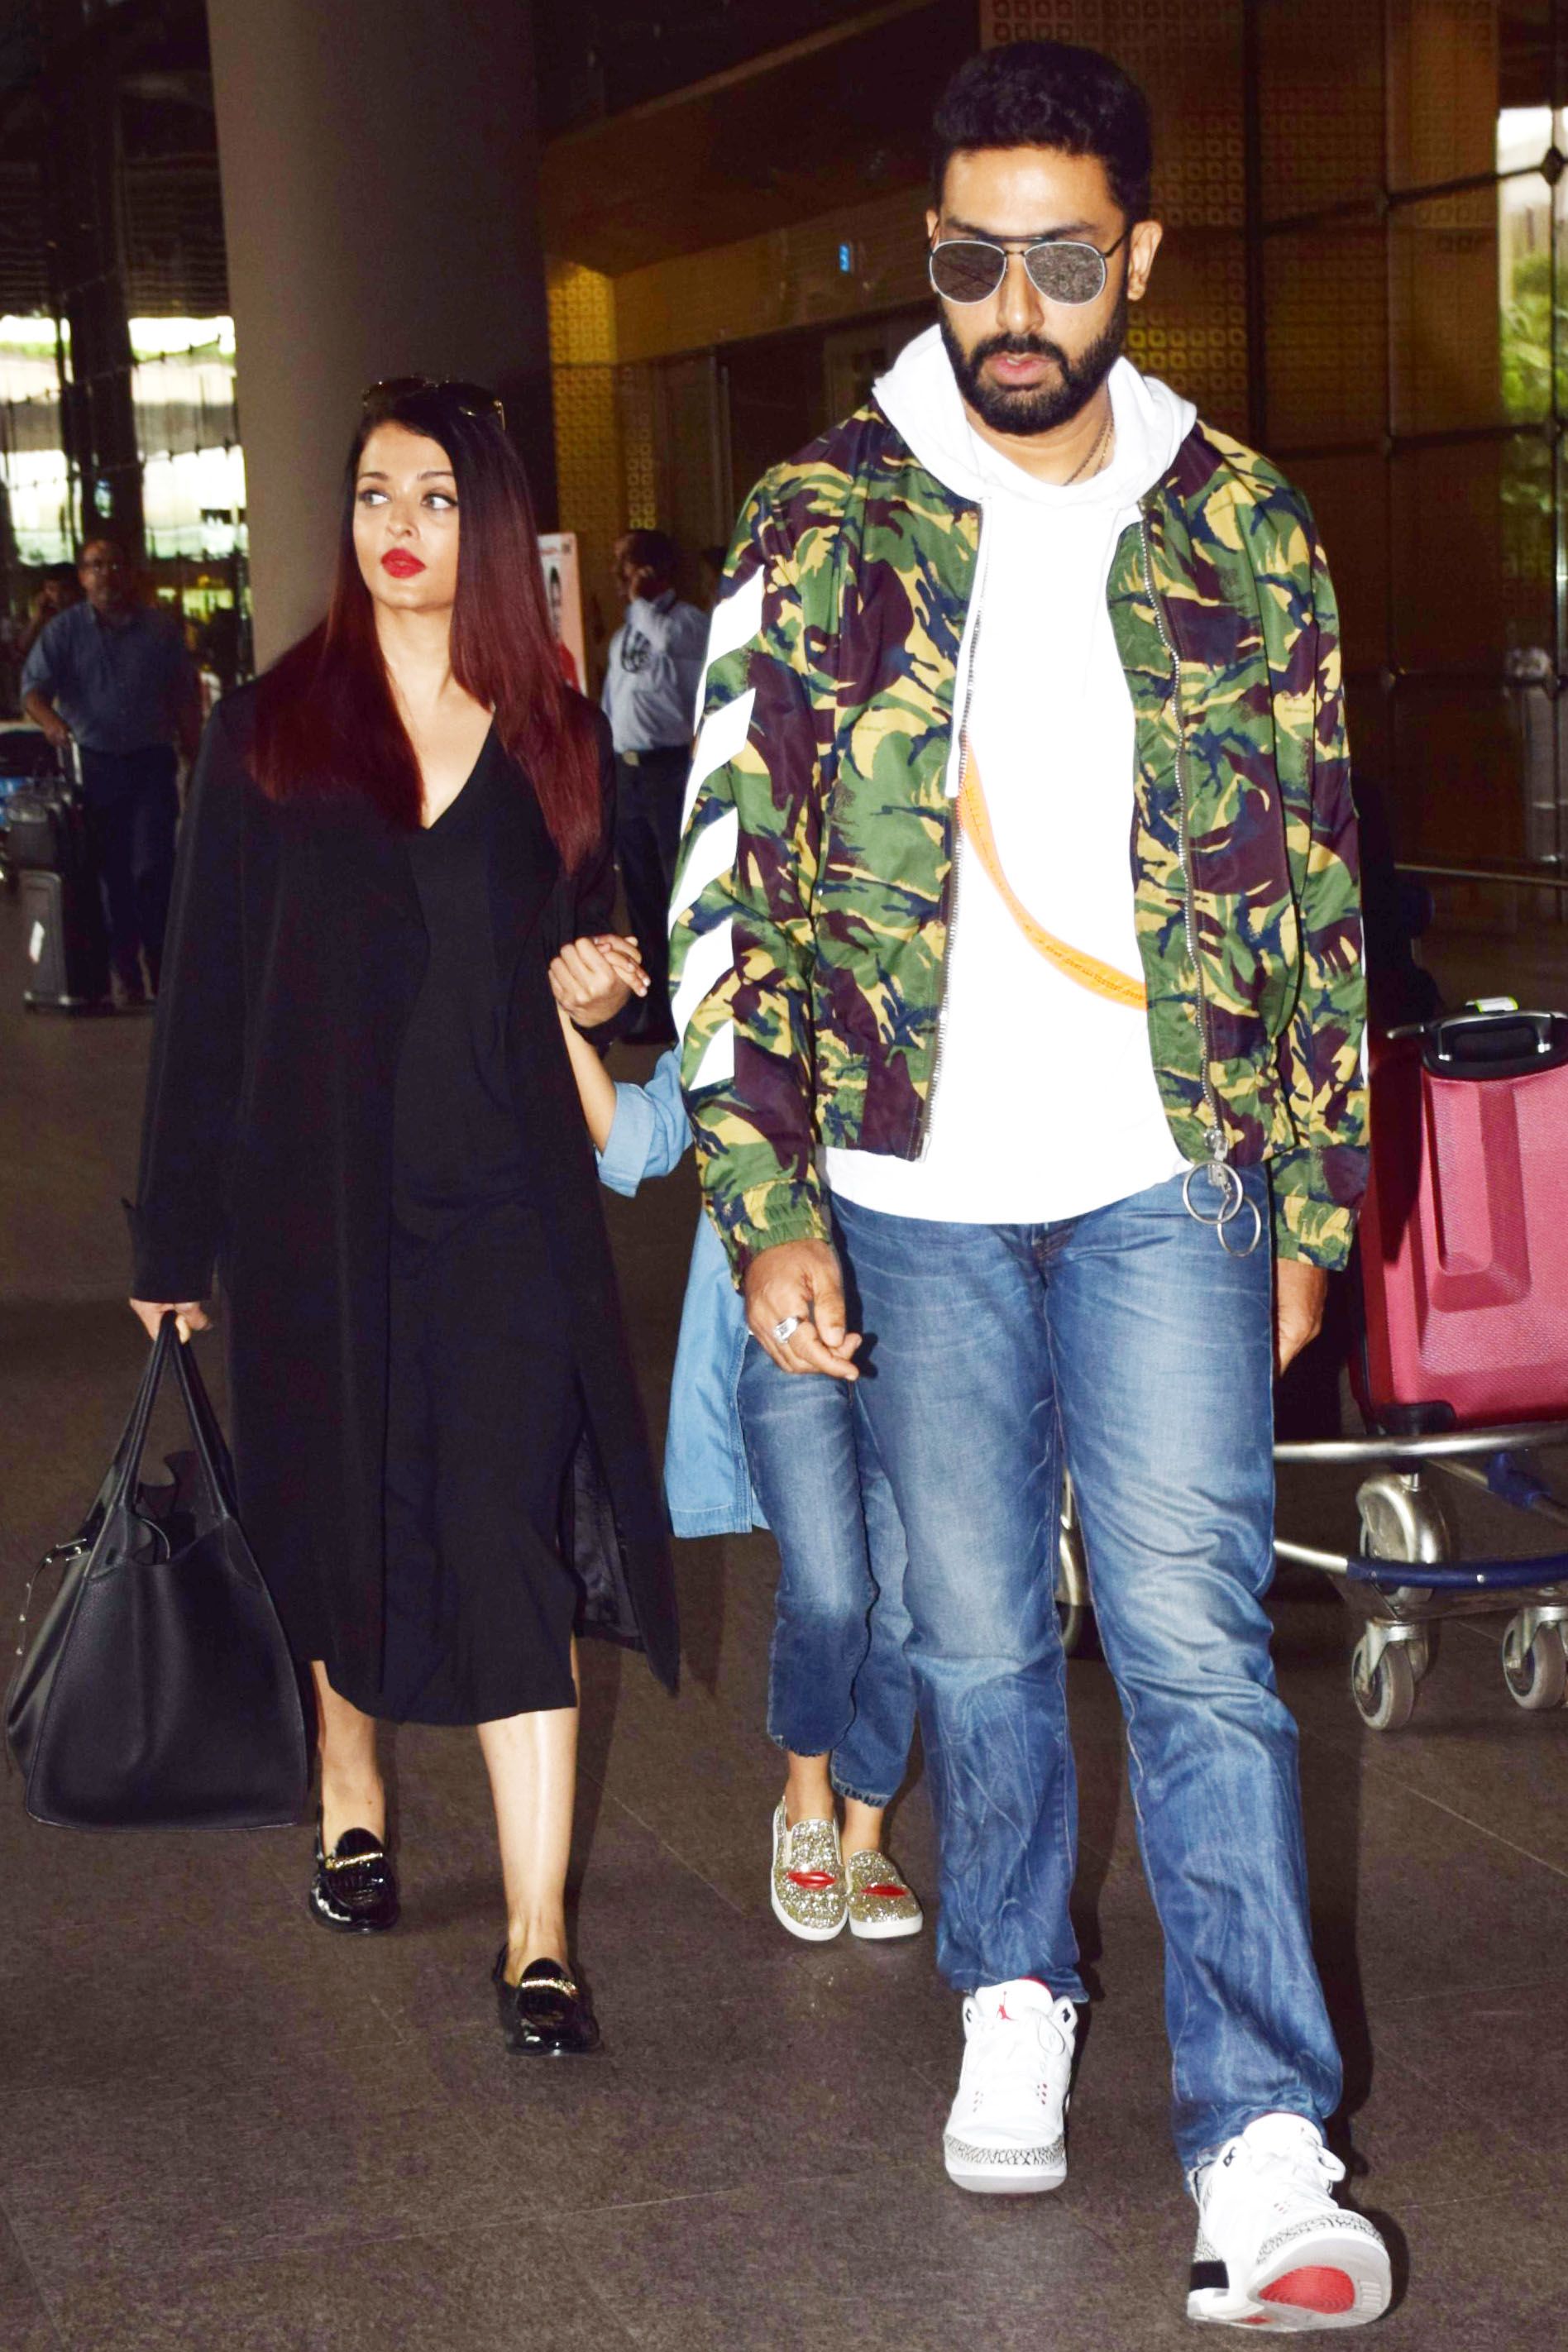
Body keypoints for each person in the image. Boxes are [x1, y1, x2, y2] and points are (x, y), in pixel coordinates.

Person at [668, 38, 1394, 2335]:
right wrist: (766, 1189)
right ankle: (1013, 1985)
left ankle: (1267, 2128)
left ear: (1137, 261)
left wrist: (1312, 1206)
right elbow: (732, 886)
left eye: (1059, 258)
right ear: (934, 257)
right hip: (911, 1182)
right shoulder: (821, 519)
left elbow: (1317, 889)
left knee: (1190, 1644)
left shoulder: (1244, 523)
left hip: (1174, 1177)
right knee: (974, 1629)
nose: (1011, 300)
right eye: (971, 255)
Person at [127, 376, 678, 2058]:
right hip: (313, 1214)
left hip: (507, 1214)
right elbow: (207, 992)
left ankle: (536, 1937)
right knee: (344, 1508)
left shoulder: (554, 736)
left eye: (436, 499)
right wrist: (172, 1240)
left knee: (509, 1537)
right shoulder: (272, 730)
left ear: (490, 527)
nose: (399, 530)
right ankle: (352, 1785)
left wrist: (600, 991)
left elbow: (605, 962)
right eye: (376, 494)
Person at [552, 1000, 923, 1942]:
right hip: (781, 1323)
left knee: (911, 1590)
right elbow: (635, 1141)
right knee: (834, 1588)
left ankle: (867, 1818)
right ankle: (806, 1797)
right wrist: (556, 1014)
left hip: (927, 1319)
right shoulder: (752, 994)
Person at [22, 538, 200, 1005]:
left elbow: (184, 694)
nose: (105, 574)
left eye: (114, 563)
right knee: (113, 876)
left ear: (129, 573)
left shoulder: (159, 631)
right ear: (82, 577)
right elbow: (32, 691)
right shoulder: (64, 633)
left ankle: (164, 973)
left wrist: (198, 752)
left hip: (150, 764)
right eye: (95, 566)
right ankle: (128, 976)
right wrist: (53, 724)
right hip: (96, 767)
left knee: (153, 869)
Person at [601, 528, 709, 1043]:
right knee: (641, 892)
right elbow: (613, 698)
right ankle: (657, 1009)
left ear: (652, 569)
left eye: (627, 565)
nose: (619, 577)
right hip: (628, 773)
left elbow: (668, 645)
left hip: (669, 773)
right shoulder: (627, 631)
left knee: (678, 892)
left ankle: (697, 1004)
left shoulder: (687, 622)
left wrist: (644, 604)